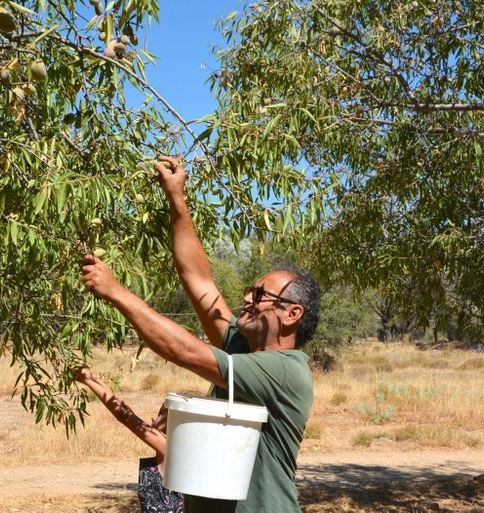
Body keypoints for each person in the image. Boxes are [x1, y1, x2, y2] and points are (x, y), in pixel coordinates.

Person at [81, 155, 321, 513]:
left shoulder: (285, 371)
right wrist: (176, 197)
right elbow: (199, 280)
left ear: (292, 314)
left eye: (260, 295)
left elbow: (186, 351)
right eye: (249, 290)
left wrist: (116, 292)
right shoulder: (242, 346)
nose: (246, 298)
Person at [71, 366, 184, 513]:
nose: (153, 417)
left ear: (175, 422)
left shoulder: (170, 448)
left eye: (161, 413)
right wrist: (93, 378)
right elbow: (120, 405)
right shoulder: (179, 453)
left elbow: (125, 416)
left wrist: (88, 381)